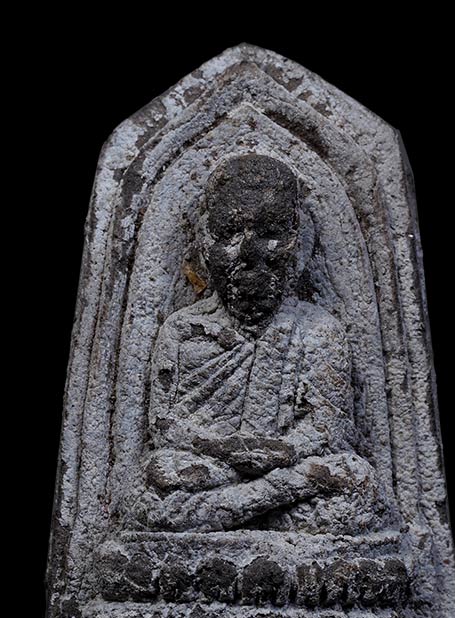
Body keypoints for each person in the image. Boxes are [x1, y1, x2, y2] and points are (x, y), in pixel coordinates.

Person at [133, 154, 384, 534]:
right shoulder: (183, 331)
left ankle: (226, 513)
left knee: (354, 475)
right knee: (158, 472)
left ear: (299, 242)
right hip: (214, 465)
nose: (251, 254)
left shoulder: (318, 330)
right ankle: (266, 511)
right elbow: (165, 426)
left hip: (287, 464)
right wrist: (226, 450)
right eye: (230, 234)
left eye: (271, 233)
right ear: (204, 243)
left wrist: (284, 452)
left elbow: (329, 428)